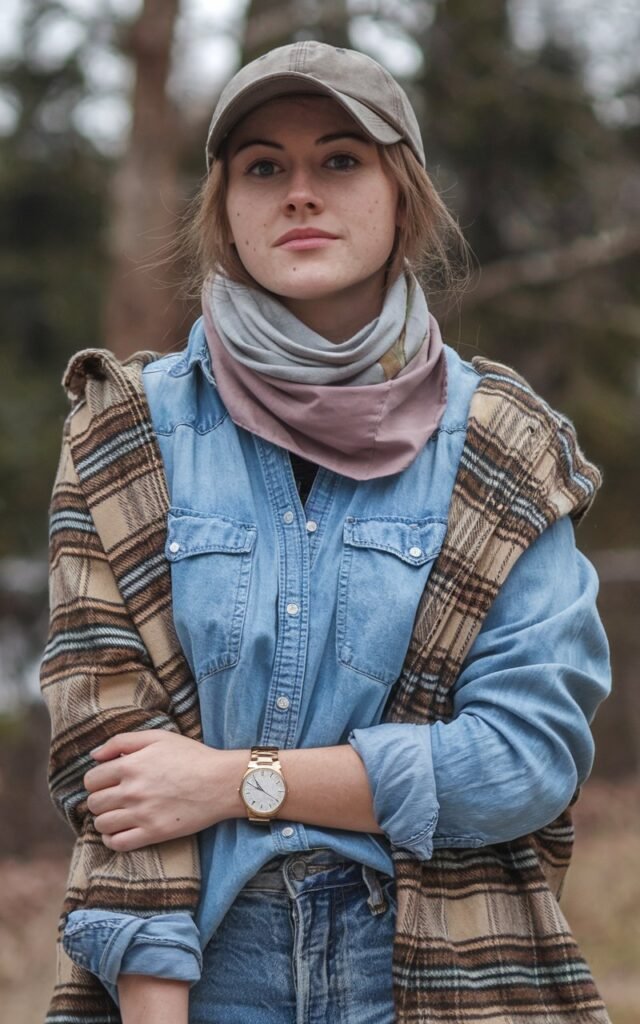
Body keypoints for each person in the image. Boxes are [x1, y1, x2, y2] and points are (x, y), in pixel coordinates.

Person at [41, 41, 612, 1024]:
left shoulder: (503, 446)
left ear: (402, 195)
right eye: (264, 167)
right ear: (225, 207)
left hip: (442, 969)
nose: (300, 192)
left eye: (340, 160)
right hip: (205, 974)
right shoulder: (126, 430)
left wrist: (239, 782)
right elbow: (116, 765)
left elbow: (525, 757)